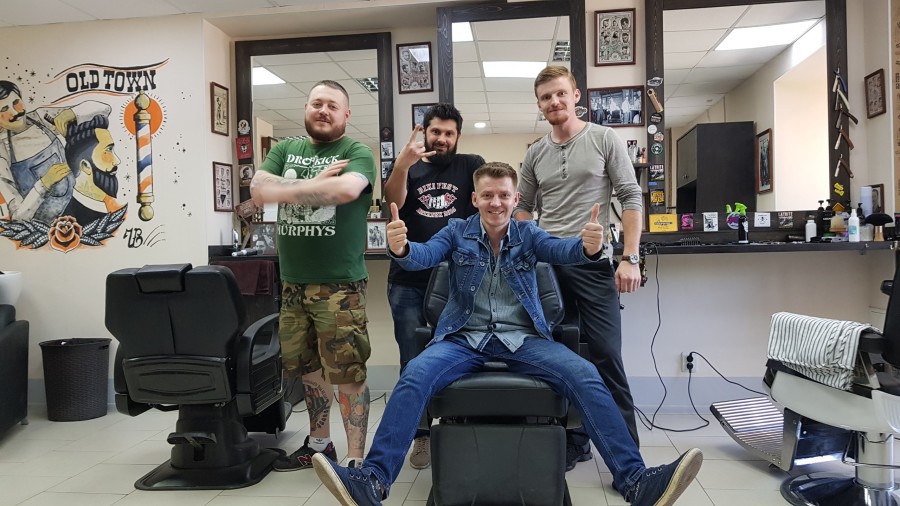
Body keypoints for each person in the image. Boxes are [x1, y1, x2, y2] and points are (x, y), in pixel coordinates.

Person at [311, 162, 702, 506]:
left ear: (515, 200)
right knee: (413, 375)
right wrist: (401, 249)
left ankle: (636, 482)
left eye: (503, 195)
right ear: (475, 199)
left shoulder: (528, 234)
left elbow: (562, 251)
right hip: (463, 338)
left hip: (523, 340)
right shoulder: (455, 231)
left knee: (587, 374)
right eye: (487, 195)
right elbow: (423, 257)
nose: (495, 203)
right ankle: (372, 482)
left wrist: (587, 248)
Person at [514, 66, 644, 471]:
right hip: (549, 267)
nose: (553, 101)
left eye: (559, 94)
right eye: (545, 97)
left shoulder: (604, 138)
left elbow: (630, 196)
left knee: (606, 355)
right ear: (539, 105)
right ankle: (574, 441)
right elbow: (522, 207)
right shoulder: (535, 153)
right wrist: (529, 242)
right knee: (559, 355)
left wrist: (630, 257)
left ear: (575, 96)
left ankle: (629, 458)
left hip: (592, 263)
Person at [250, 79, 377, 471]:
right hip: (293, 283)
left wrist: (286, 189)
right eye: (317, 103)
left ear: (346, 114)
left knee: (347, 372)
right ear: (306, 108)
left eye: (332, 106)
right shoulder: (285, 149)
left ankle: (355, 459)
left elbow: (344, 192)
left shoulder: (356, 152)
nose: (323, 110)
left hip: (339, 284)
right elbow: (257, 189)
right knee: (308, 370)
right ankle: (319, 445)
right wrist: (313, 184)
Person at [382, 103, 484, 470]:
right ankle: (422, 435)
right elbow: (392, 204)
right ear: (424, 132)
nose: (441, 138)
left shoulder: (470, 165)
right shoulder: (408, 166)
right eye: (435, 131)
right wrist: (401, 166)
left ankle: (458, 427)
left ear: (458, 136)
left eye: (448, 133)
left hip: (458, 281)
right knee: (412, 360)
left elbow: (487, 203)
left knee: (461, 355)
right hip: (408, 280)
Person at [0, 80, 110, 223]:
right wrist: (44, 183)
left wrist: (71, 113)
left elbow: (104, 108)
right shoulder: (3, 153)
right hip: (48, 227)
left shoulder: (41, 118)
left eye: (16, 102)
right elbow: (18, 217)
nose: (15, 112)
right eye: (4, 109)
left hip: (79, 206)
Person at [60, 114, 124, 225]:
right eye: (108, 151)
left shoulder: (106, 207)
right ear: (85, 166)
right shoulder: (72, 224)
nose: (117, 161)